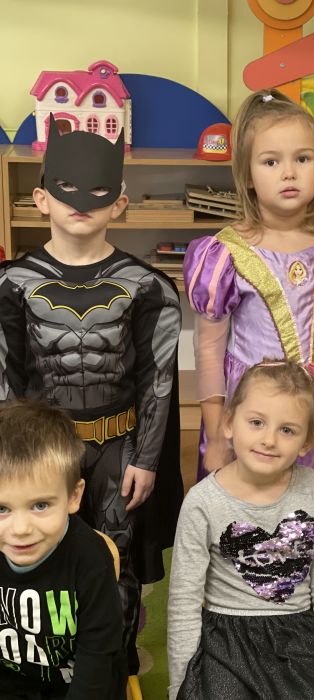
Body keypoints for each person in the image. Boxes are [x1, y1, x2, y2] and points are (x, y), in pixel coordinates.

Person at [0, 115, 183, 674]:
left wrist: (147, 460)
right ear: (41, 199)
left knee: (114, 559)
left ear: (119, 203)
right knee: (38, 551)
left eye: (99, 191)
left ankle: (112, 663)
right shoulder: (12, 285)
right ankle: (44, 661)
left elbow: (158, 380)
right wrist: (10, 461)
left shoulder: (148, 287)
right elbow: (6, 379)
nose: (81, 202)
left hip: (117, 451)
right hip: (41, 450)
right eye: (66, 188)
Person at [183, 88, 314, 533]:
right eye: (271, 162)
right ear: (247, 175)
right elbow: (208, 349)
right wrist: (216, 432)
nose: (289, 172)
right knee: (249, 513)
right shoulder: (224, 255)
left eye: (303, 158)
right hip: (251, 408)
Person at [167, 360, 314, 699]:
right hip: (225, 641)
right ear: (229, 423)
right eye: (256, 422)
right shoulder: (202, 502)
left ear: (307, 441)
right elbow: (184, 601)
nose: (269, 440)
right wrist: (180, 684)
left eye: (287, 430)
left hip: (299, 635)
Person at [0, 400, 127, 699]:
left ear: (73, 496)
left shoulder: (91, 557)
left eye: (40, 505)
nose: (21, 529)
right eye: (2, 509)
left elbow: (97, 655)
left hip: (78, 687)